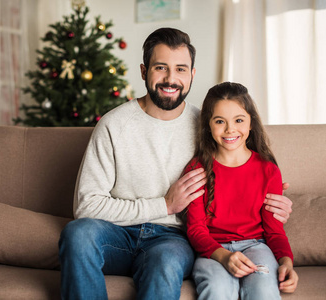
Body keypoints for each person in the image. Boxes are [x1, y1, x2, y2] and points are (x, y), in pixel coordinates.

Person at [58, 27, 293, 300]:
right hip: (116, 235)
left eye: (181, 69)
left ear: (192, 74)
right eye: (161, 67)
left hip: (172, 238)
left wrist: (273, 202)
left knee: (166, 262)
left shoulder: (208, 125)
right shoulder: (113, 125)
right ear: (144, 71)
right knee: (77, 234)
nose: (171, 79)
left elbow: (246, 168)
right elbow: (86, 206)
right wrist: (164, 205)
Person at [185, 82, 298, 300]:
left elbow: (274, 231)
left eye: (239, 120)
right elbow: (196, 230)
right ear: (208, 126)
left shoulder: (268, 170)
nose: (230, 129)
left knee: (264, 289)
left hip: (257, 246)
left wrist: (286, 262)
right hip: (212, 250)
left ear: (251, 124)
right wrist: (224, 256)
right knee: (217, 289)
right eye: (220, 121)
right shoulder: (196, 169)